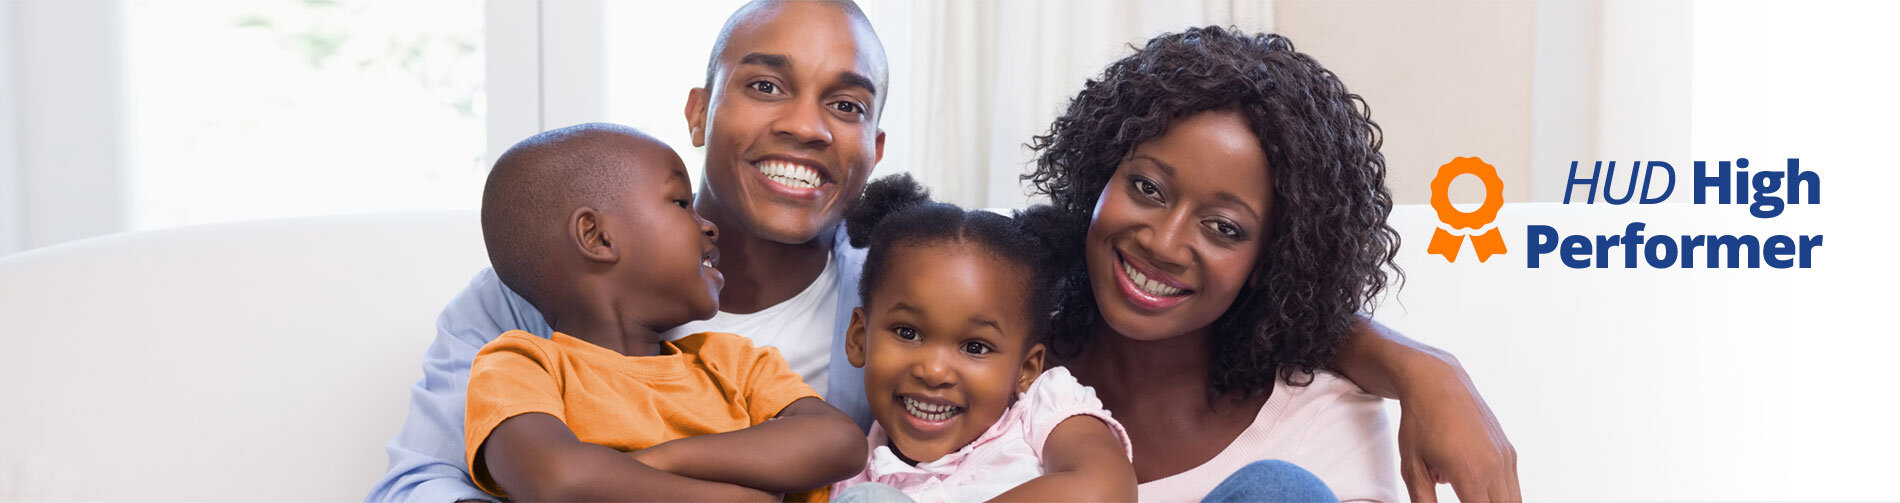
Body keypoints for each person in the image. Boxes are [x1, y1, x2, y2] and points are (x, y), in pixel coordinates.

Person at [367, 1, 887, 501]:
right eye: (765, 86)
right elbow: (417, 486)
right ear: (699, 112)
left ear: (875, 148)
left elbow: (893, 455)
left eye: (846, 106)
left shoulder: (893, 300)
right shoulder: (511, 312)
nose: (804, 126)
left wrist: (624, 470)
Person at [1022, 27, 1520, 501]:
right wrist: (1421, 370)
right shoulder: (987, 363)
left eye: (1224, 227)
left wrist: (1427, 371)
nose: (1164, 244)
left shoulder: (1318, 421)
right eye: (1147, 188)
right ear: (1100, 178)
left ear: (1270, 260)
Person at [462, 123, 864, 501]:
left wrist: (656, 460)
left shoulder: (734, 363)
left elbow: (840, 442)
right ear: (597, 237)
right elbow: (556, 479)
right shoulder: (519, 366)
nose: (709, 226)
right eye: (681, 203)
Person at [830, 175, 1137, 502]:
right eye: (908, 333)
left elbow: (1104, 489)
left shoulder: (1040, 409)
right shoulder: (851, 470)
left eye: (975, 347)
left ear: (1027, 368)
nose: (933, 371)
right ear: (860, 338)